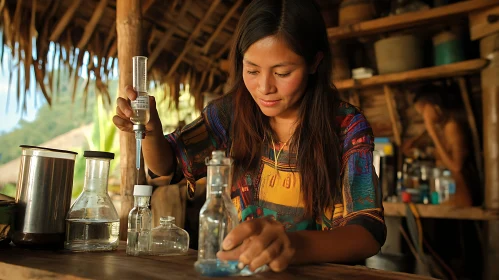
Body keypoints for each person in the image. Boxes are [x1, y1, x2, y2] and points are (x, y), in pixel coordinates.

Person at [113, 0, 385, 272]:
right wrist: (149, 128)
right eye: (252, 70)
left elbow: (367, 231)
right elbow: (167, 167)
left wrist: (290, 246)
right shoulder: (229, 114)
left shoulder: (346, 125)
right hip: (242, 272)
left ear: (314, 62)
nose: (264, 87)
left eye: (282, 72)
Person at [410, 83, 481, 207]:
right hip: (450, 194)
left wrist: (432, 131)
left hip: (464, 194)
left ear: (434, 106)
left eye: (423, 112)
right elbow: (407, 149)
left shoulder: (452, 127)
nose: (423, 117)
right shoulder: (443, 127)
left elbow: (456, 166)